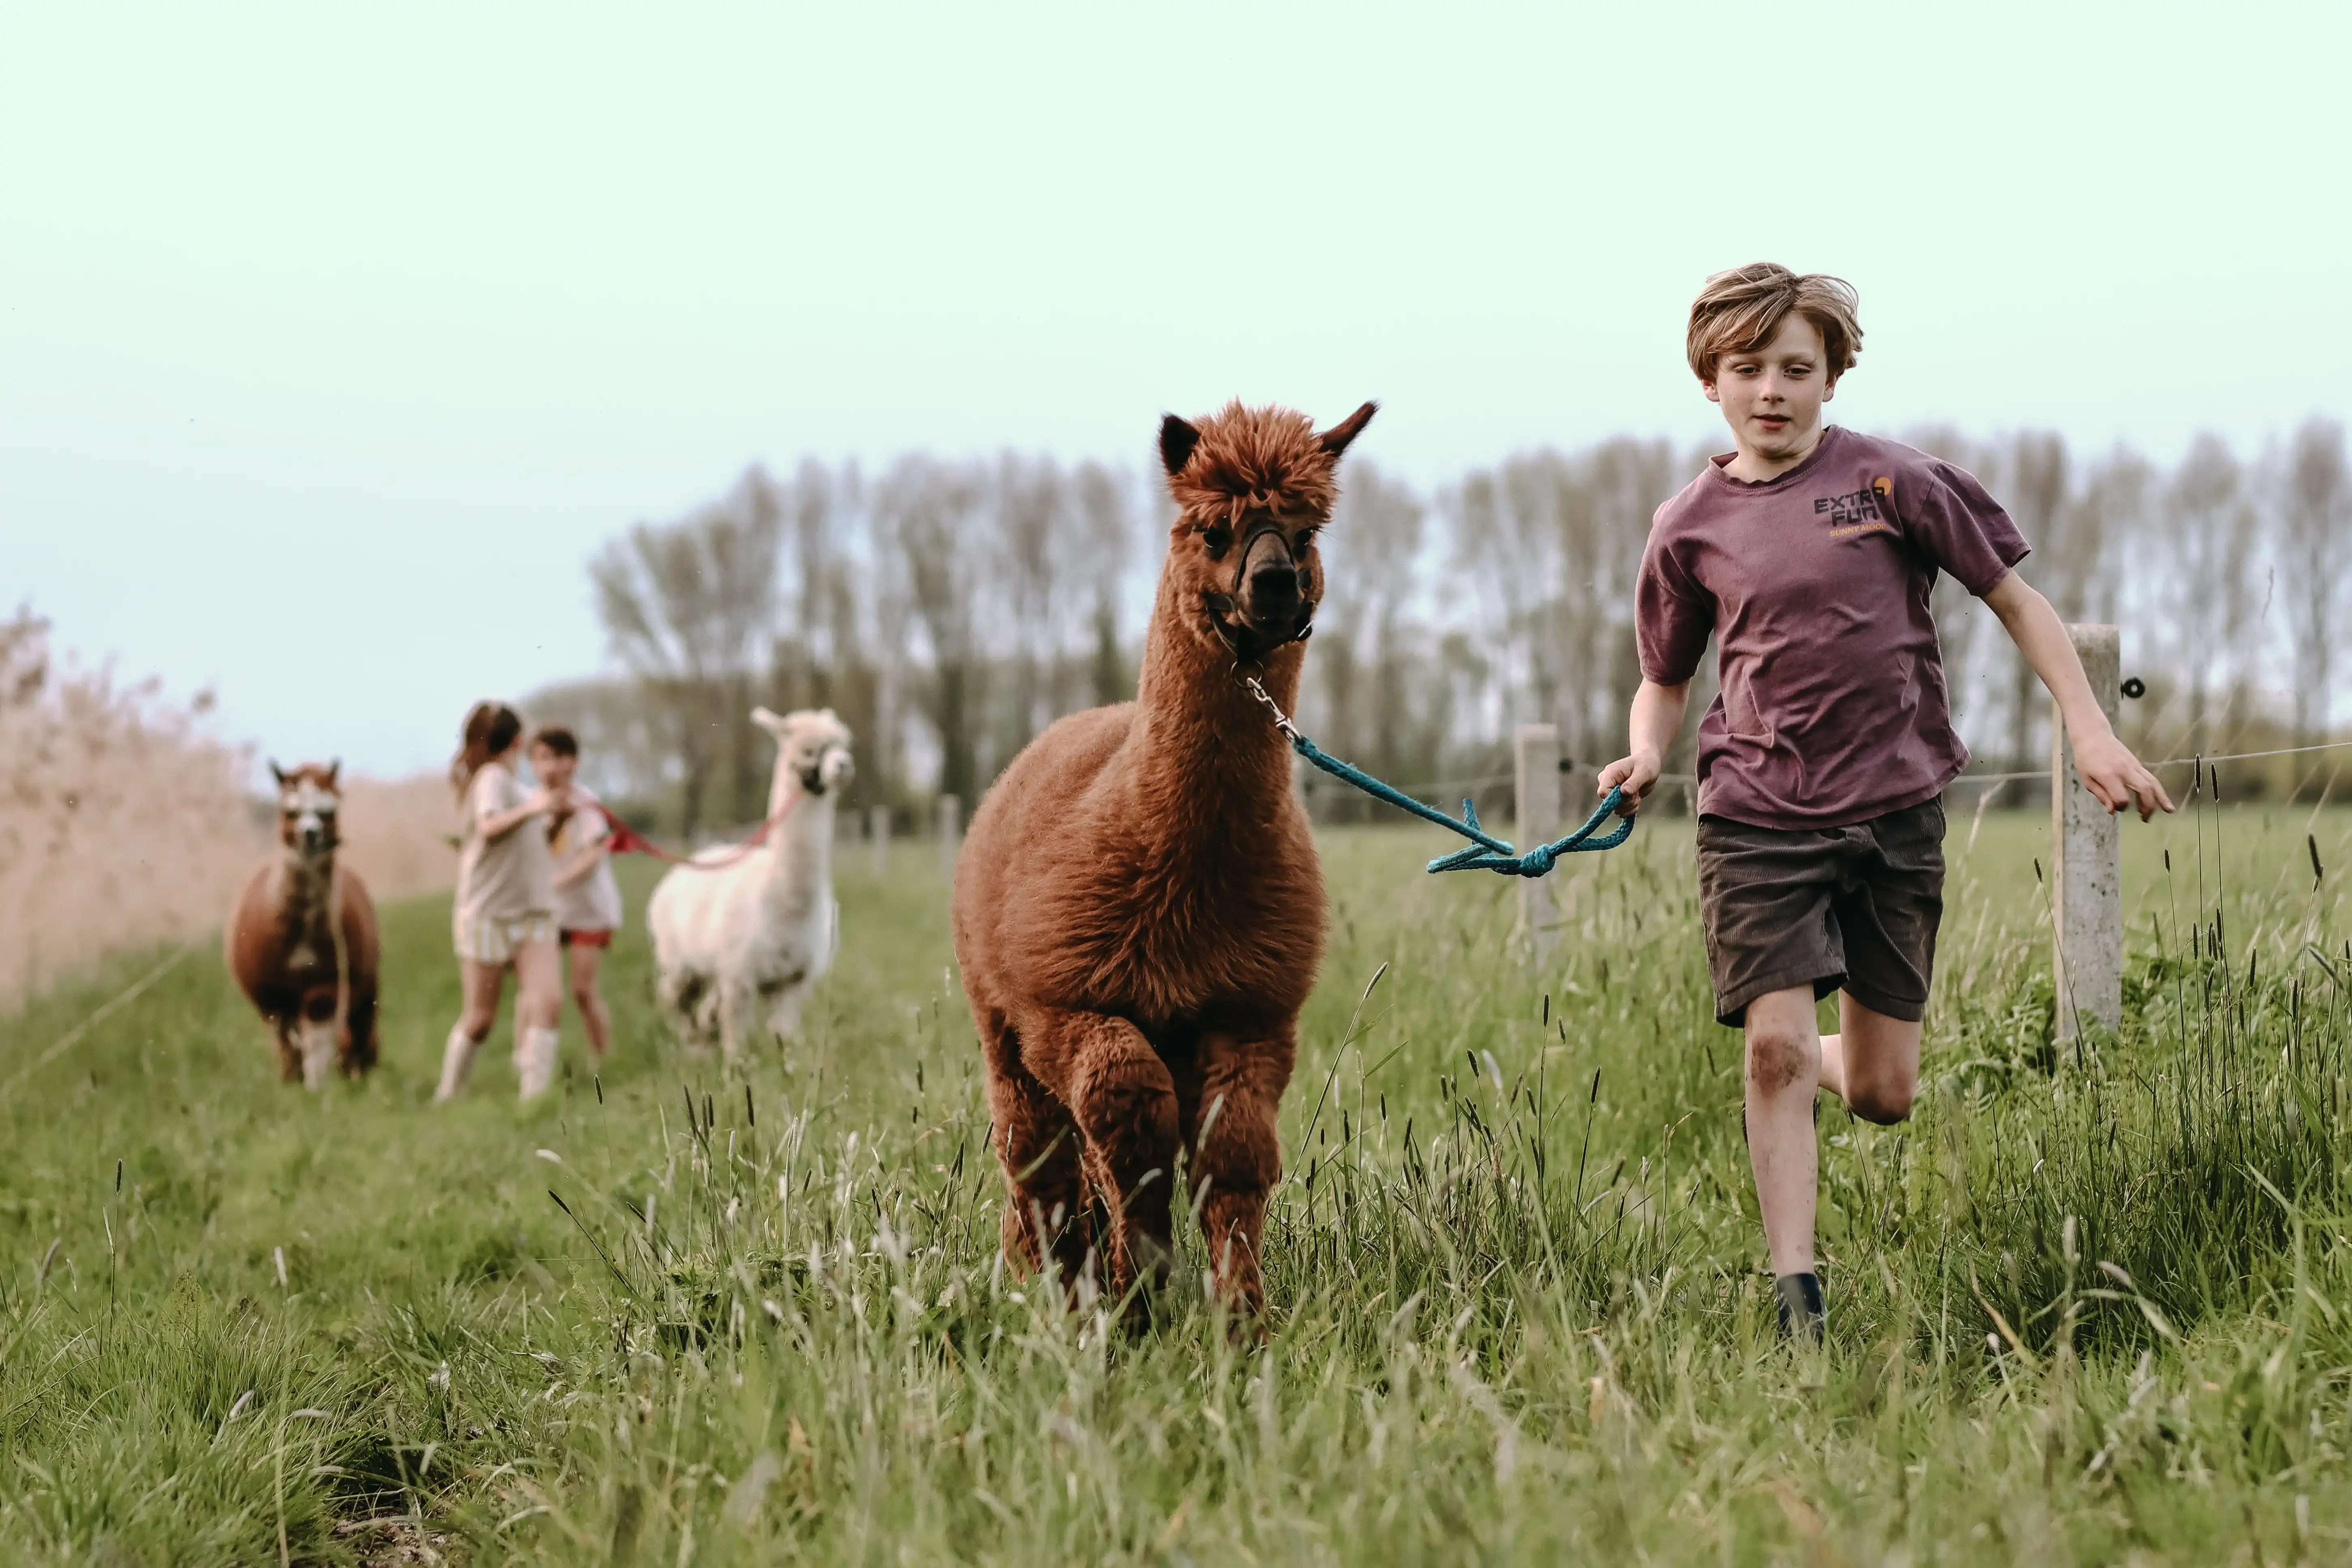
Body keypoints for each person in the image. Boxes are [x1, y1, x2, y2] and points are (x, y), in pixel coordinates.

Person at [1597, 264, 2174, 1342]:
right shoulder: (1684, 524)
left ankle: (1826, 1058)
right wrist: (1640, 755)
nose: (1770, 388)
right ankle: (1795, 1294)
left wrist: (2088, 726)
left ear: (1830, 375)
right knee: (1770, 1047)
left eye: (1794, 367)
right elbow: (1665, 677)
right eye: (1746, 368)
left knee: (1881, 1091)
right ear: (1708, 380)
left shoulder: (1891, 482)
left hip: (1894, 812)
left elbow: (2014, 598)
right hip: (1754, 813)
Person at [438, 700, 562, 1102]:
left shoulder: (514, 787)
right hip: (488, 915)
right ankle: (449, 1095)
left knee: (547, 1001)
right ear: (518, 741)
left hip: (533, 912)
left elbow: (527, 841)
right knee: (480, 1020)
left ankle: (534, 1100)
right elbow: (491, 827)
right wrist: (536, 808)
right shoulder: (492, 778)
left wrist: (555, 817)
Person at [528, 726, 619, 1060]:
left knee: (583, 991)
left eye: (558, 758)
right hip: (547, 913)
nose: (550, 767)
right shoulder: (529, 804)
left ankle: (603, 1059)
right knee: (535, 992)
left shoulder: (587, 804)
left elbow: (594, 855)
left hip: (588, 910)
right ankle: (525, 1060)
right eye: (541, 758)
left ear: (574, 763)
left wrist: (556, 882)